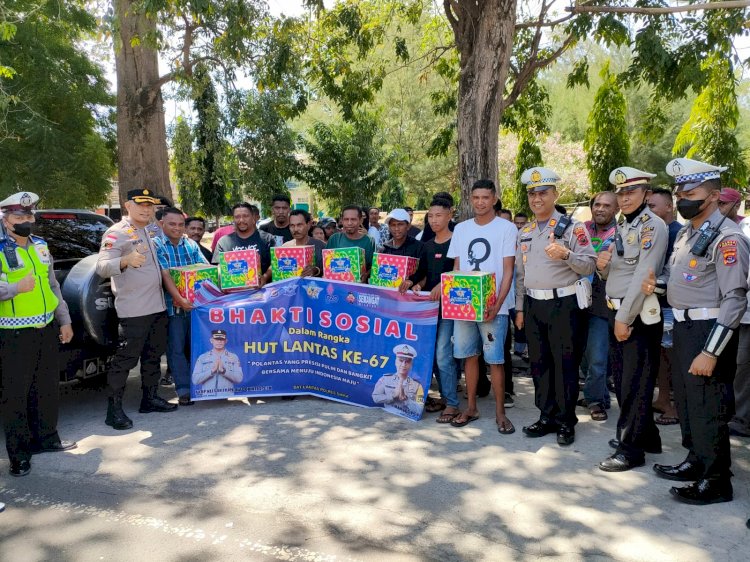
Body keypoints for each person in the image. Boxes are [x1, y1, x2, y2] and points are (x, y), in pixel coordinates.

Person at [648, 157, 748, 505]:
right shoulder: (690, 233)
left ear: (715, 196)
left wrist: (711, 352)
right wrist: (657, 287)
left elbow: (734, 299)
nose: (681, 198)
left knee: (709, 407)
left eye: (690, 192)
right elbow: (688, 282)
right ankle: (696, 460)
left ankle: (717, 480)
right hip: (684, 326)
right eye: (679, 193)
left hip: (710, 330)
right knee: (689, 404)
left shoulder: (728, 238)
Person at [516, 167, 596, 446]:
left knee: (565, 365)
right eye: (532, 193)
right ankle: (546, 415)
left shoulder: (573, 228)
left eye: (543, 193)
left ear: (555, 195)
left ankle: (566, 421)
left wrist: (567, 254)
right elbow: (520, 275)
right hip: (534, 304)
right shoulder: (524, 231)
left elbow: (590, 264)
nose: (537, 198)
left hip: (564, 304)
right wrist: (519, 309)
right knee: (539, 364)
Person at [0, 192, 77, 477]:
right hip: (13, 332)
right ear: (6, 220)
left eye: (29, 216)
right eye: (19, 217)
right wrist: (14, 289)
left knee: (45, 388)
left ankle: (47, 439)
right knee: (15, 396)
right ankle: (19, 456)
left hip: (46, 328)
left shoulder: (41, 246)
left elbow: (53, 286)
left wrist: (64, 320)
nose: (26, 221)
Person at [596, 168, 668, 472]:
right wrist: (603, 267)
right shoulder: (626, 225)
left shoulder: (652, 226)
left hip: (635, 314)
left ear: (646, 195)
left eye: (631, 193)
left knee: (633, 384)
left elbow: (644, 274)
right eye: (621, 193)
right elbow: (618, 270)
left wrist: (624, 318)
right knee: (627, 378)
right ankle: (647, 437)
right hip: (619, 310)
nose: (624, 198)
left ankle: (630, 449)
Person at [96, 188, 177, 430]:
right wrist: (124, 261)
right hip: (134, 310)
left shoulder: (149, 230)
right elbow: (101, 267)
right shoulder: (117, 233)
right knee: (125, 361)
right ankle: (114, 410)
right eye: (140, 204)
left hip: (156, 305)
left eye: (150, 205)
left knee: (153, 357)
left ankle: (149, 399)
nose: (146, 209)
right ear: (127, 205)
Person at [447, 179, 516, 434]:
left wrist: (497, 304)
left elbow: (508, 271)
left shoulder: (507, 229)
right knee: (468, 357)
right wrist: (456, 301)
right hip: (464, 306)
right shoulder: (462, 229)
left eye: (485, 197)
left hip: (493, 307)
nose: (480, 202)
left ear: (494, 198)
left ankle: (500, 413)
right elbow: (457, 268)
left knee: (495, 359)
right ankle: (471, 407)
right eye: (475, 197)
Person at [407, 197, 460, 423]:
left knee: (442, 353)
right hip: (428, 308)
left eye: (439, 215)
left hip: (450, 308)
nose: (434, 220)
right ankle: (443, 396)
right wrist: (415, 284)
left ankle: (452, 403)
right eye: (430, 215)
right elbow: (425, 274)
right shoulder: (426, 246)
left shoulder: (458, 243)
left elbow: (461, 271)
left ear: (450, 215)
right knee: (431, 354)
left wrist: (443, 283)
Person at [153, 208, 209, 406]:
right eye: (171, 224)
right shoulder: (156, 245)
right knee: (176, 349)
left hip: (195, 307)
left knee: (198, 347)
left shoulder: (191, 244)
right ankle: (184, 390)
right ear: (161, 224)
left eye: (180, 225)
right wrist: (179, 298)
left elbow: (204, 270)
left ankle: (204, 386)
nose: (177, 228)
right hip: (172, 307)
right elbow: (164, 274)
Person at [579, 190, 619, 422]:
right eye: (597, 205)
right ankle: (599, 395)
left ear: (616, 209)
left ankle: (595, 400)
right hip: (577, 302)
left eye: (606, 205)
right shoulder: (581, 228)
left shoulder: (621, 233)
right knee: (584, 356)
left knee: (597, 355)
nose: (600, 209)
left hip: (603, 305)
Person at [647, 188, 683, 426]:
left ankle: (675, 407)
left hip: (670, 304)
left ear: (669, 207)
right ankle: (662, 399)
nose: (649, 211)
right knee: (660, 356)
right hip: (653, 304)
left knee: (672, 358)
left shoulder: (678, 233)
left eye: (653, 206)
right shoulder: (653, 230)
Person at [213, 203, 275, 286]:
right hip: (233, 294)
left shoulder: (267, 239)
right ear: (233, 219)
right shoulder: (224, 242)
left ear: (253, 217)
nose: (241, 220)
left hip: (261, 292)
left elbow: (274, 263)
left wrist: (265, 277)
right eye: (237, 217)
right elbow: (219, 268)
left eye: (245, 216)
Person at [371, 344, 425, 417]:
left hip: (407, 420)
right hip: (386, 415)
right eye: (401, 360)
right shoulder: (385, 379)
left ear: (411, 364)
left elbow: (420, 410)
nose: (403, 365)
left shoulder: (417, 385)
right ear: (395, 362)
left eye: (407, 361)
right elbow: (375, 397)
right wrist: (392, 396)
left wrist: (406, 400)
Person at [325, 205, 377, 281]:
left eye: (353, 219)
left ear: (360, 220)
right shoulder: (334, 239)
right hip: (336, 286)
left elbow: (373, 267)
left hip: (359, 288)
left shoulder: (369, 241)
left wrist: (366, 274)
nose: (349, 223)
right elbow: (327, 262)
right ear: (342, 221)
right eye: (346, 219)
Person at [191, 329, 243, 398]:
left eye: (221, 340)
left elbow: (239, 378)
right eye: (216, 339)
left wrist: (224, 371)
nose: (219, 342)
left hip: (227, 398)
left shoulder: (234, 357)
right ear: (211, 340)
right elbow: (195, 380)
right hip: (207, 398)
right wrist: (211, 371)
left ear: (226, 341)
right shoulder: (202, 357)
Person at [282, 209, 325, 277]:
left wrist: (316, 270)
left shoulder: (321, 246)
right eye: (292, 225)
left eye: (299, 225)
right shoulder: (284, 248)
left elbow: (329, 269)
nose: (295, 229)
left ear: (308, 225)